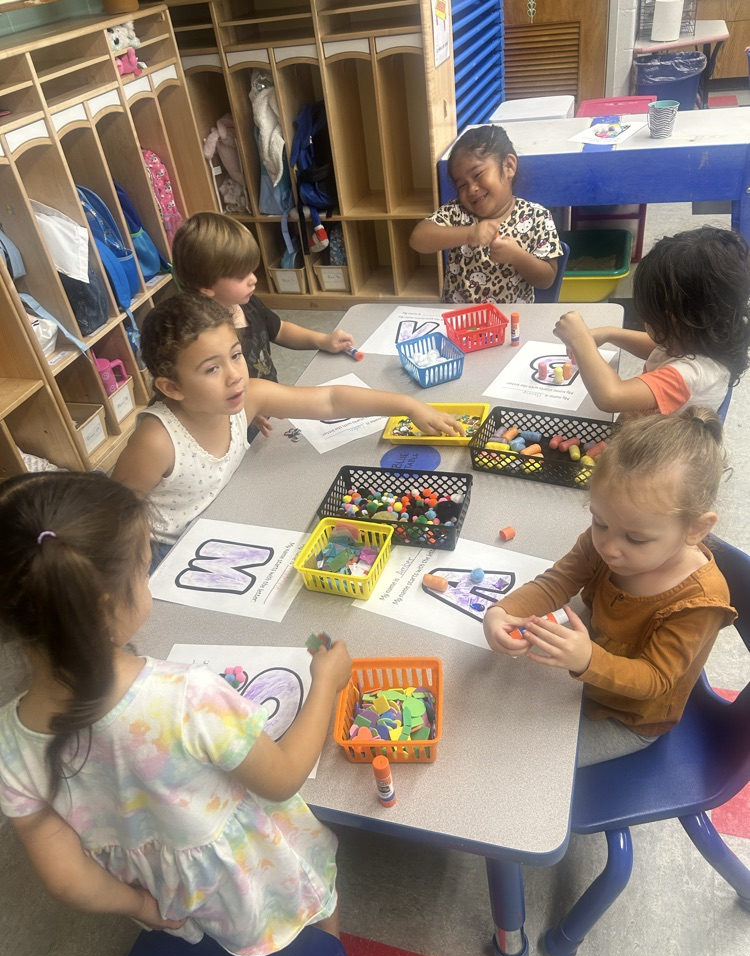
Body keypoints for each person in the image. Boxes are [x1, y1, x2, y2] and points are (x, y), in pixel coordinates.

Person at [0, 471, 352, 955]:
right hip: (257, 875)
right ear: (106, 604)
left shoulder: (7, 743)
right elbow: (285, 776)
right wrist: (327, 684)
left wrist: (143, 907)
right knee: (316, 909)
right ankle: (325, 955)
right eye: (145, 570)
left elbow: (66, 879)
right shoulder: (185, 696)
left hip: (168, 894)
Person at [112, 294, 463, 566]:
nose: (235, 374)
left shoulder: (248, 395)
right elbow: (118, 512)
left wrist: (409, 406)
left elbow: (329, 400)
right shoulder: (156, 441)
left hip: (228, 516)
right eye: (211, 369)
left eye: (235, 355)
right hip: (167, 549)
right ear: (172, 388)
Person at [483, 407, 736, 767]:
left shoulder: (699, 601)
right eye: (599, 522)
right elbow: (558, 581)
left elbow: (655, 679)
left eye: (636, 538)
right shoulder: (608, 538)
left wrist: (588, 659)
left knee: (525, 763)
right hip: (584, 673)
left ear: (696, 529)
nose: (610, 546)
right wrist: (502, 612)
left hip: (629, 718)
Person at [173, 212, 355, 437]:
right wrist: (237, 412)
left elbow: (280, 329)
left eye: (251, 269)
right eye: (241, 276)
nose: (253, 279)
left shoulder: (246, 304)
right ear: (206, 287)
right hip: (235, 421)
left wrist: (323, 340)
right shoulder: (204, 336)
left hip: (267, 409)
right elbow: (197, 395)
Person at [553, 226, 750, 415]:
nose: (646, 324)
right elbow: (657, 346)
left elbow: (610, 397)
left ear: (678, 320)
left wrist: (581, 340)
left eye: (649, 318)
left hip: (658, 447)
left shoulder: (689, 376)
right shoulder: (700, 339)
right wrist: (610, 333)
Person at [409, 124, 562, 304]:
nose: (472, 189)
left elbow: (546, 280)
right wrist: (469, 233)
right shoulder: (458, 212)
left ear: (508, 166)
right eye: (462, 185)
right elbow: (418, 239)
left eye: (478, 174)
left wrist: (517, 257)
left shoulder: (537, 217)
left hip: (509, 323)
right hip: (460, 322)